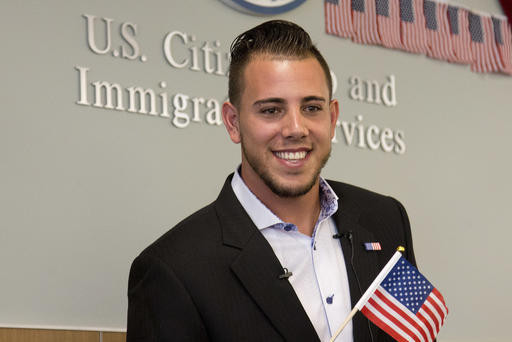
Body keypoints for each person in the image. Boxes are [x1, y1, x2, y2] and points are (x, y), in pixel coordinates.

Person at [127, 20, 416, 342]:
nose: (296, 128)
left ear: (332, 118)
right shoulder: (174, 268)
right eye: (271, 110)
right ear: (233, 122)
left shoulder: (385, 219)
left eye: (311, 107)